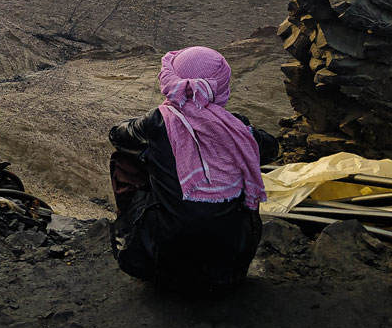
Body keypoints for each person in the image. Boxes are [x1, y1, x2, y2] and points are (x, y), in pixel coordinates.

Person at [107, 46, 278, 290]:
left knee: (125, 160)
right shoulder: (237, 128)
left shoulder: (157, 122)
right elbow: (272, 149)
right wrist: (239, 136)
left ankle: (134, 243)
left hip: (163, 269)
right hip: (231, 270)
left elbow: (117, 136)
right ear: (220, 83)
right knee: (246, 158)